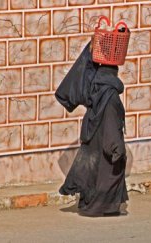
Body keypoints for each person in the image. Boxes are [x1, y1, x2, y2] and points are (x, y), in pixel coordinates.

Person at [55, 42, 128, 217]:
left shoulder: (95, 89)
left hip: (93, 136)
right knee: (106, 174)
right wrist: (117, 146)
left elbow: (83, 73)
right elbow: (111, 121)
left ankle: (91, 205)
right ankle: (102, 207)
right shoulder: (110, 95)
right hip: (105, 140)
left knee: (93, 172)